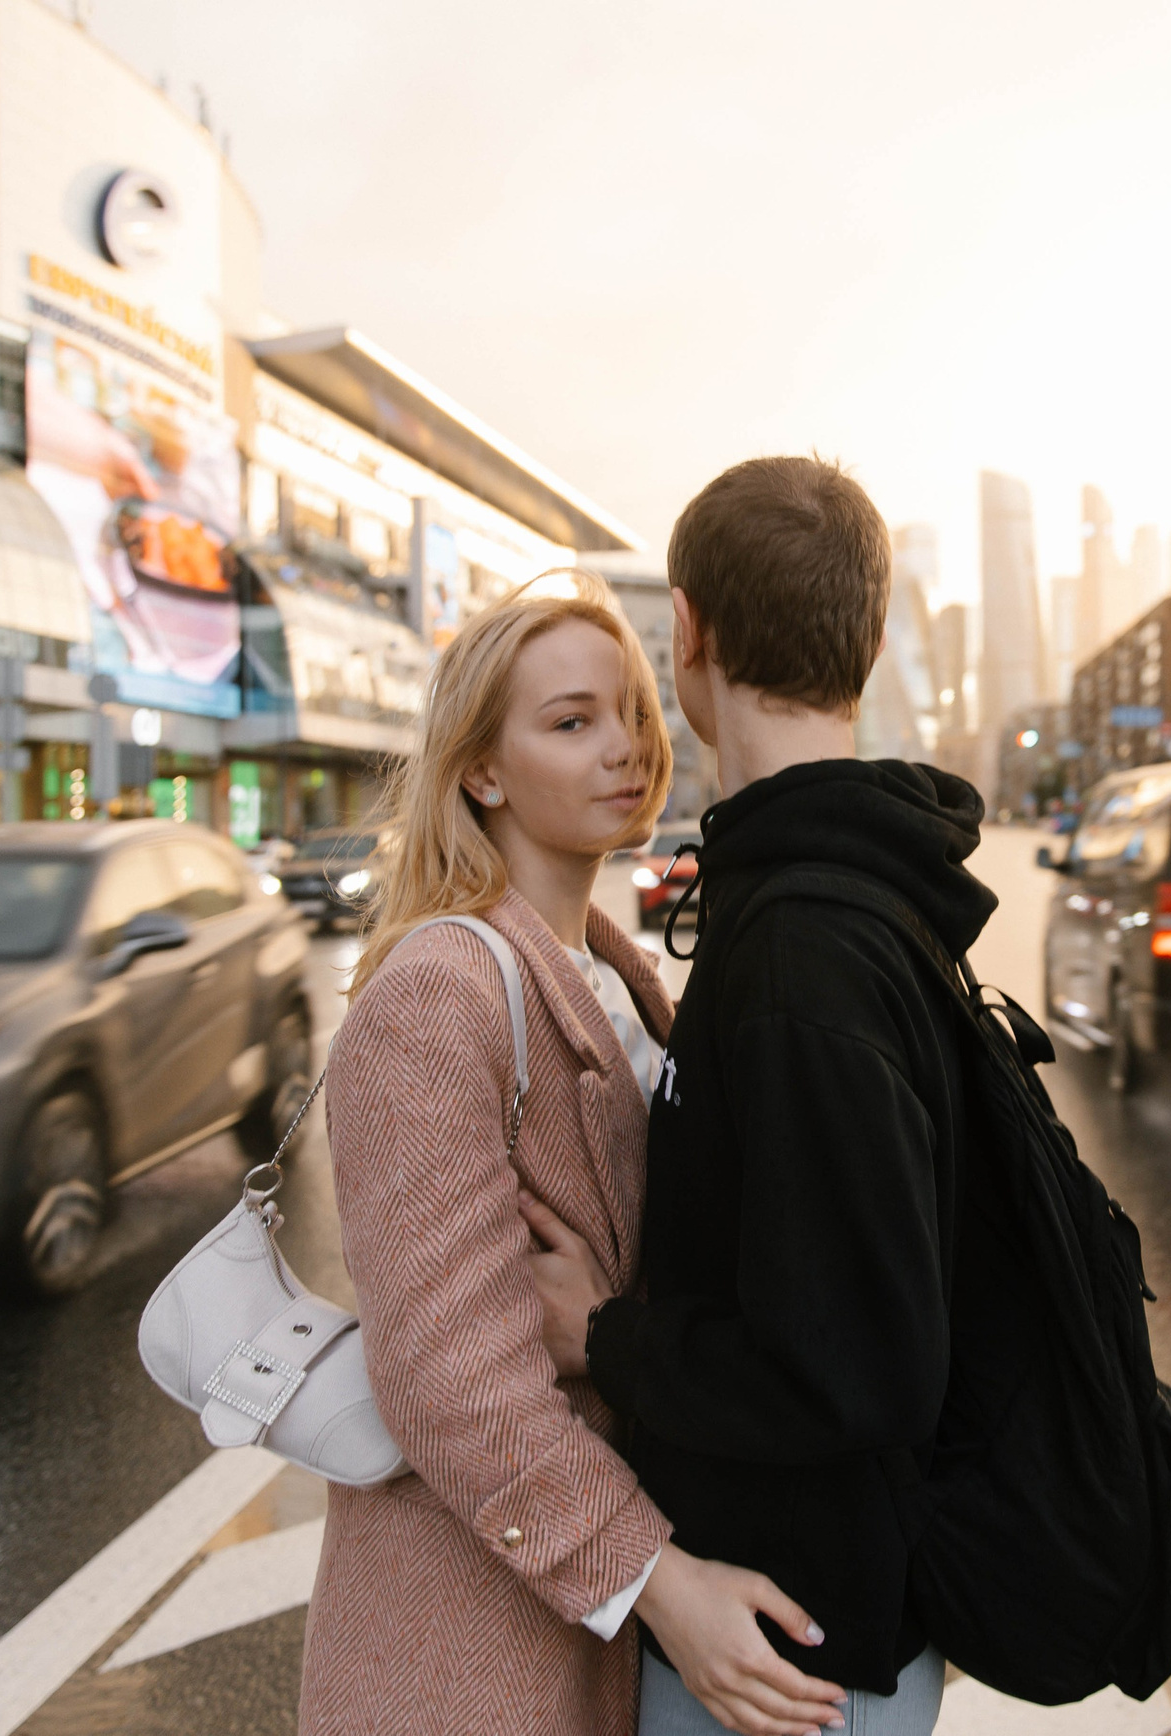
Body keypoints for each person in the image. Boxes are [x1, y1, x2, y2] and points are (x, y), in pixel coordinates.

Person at [299, 580, 848, 1736]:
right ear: (482, 772)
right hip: (470, 1633)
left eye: (637, 714)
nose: (627, 749)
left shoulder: (617, 975)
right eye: (571, 721)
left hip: (574, 1604)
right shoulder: (437, 994)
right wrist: (663, 1583)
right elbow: (449, 1383)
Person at [526, 459, 997, 1736]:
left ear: (687, 629)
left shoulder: (800, 946)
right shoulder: (852, 892)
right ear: (871, 637)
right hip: (804, 1633)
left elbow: (858, 1362)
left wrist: (603, 1335)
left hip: (783, 1657)